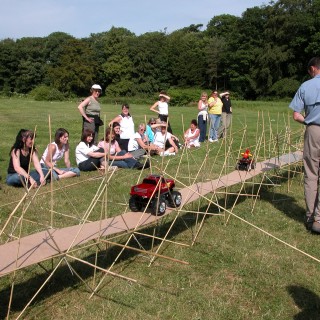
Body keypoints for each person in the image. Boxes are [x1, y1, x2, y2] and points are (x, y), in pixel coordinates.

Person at [289, 56, 320, 233]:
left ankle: (310, 217)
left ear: (313, 69)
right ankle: (319, 218)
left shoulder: (306, 86)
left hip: (313, 131)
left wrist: (308, 121)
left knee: (311, 173)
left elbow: (296, 115)